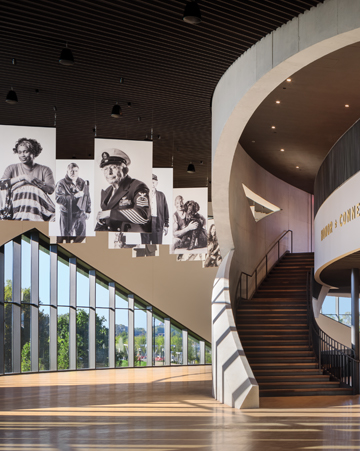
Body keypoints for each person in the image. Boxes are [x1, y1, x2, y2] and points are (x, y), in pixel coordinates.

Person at [95, 148, 151, 232]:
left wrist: (109, 213)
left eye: (113, 167)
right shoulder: (106, 192)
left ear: (125, 169)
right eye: (106, 169)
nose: (109, 173)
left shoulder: (137, 186)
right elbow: (104, 222)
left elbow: (143, 216)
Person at [1, 137, 55, 221]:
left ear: (34, 152)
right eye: (19, 152)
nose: (22, 155)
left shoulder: (45, 169)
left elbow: (51, 189)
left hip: (37, 207)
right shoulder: (11, 168)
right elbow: (2, 185)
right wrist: (23, 178)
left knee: (32, 190)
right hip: (15, 207)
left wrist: (33, 182)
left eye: (25, 151)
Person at [55, 162, 91, 237]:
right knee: (66, 239)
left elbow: (87, 197)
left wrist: (88, 211)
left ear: (78, 172)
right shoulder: (61, 183)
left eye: (76, 171)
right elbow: (58, 199)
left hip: (80, 215)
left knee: (81, 240)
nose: (73, 173)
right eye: (71, 171)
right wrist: (74, 196)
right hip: (67, 215)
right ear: (67, 171)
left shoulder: (82, 182)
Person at [141, 173, 169, 244]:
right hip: (145, 224)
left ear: (156, 183)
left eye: (153, 182)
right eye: (150, 183)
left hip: (158, 222)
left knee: (157, 245)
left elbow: (166, 211)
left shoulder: (161, 195)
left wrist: (166, 225)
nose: (152, 185)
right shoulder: (143, 195)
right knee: (145, 244)